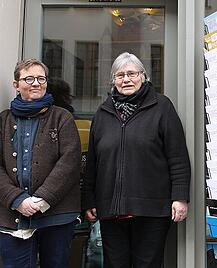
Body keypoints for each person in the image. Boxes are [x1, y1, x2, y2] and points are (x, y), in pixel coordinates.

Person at [83, 52, 191, 268]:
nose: (126, 79)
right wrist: (89, 200)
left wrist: (180, 197)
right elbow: (93, 162)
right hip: (110, 208)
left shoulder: (161, 107)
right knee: (115, 264)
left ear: (143, 77)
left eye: (131, 74)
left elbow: (177, 156)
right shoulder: (103, 112)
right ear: (113, 81)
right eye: (120, 75)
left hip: (152, 208)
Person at [0, 59, 81, 267]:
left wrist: (41, 199)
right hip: (13, 215)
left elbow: (70, 161)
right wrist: (17, 200)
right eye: (29, 78)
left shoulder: (62, 118)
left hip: (57, 214)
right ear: (16, 84)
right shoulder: (1, 122)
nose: (36, 83)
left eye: (41, 78)